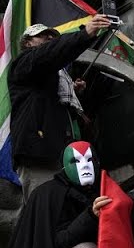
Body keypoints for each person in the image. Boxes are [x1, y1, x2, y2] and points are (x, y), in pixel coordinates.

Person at [0, 141, 111, 248]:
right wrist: (89, 215)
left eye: (90, 160)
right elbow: (54, 243)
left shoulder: (104, 189)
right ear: (65, 166)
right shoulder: (48, 195)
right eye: (76, 161)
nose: (85, 166)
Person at [8, 14, 112, 204]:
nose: (49, 39)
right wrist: (85, 33)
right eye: (43, 36)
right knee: (44, 211)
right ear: (28, 43)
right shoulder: (23, 62)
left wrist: (73, 92)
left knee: (66, 211)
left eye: (52, 37)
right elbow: (49, 55)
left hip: (63, 152)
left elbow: (50, 101)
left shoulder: (55, 76)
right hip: (39, 153)